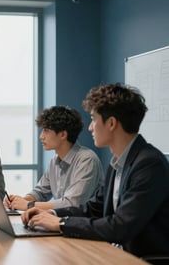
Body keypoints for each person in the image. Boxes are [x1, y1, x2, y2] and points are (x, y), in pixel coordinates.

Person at [22, 83, 169, 257]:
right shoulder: (118, 163)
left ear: (112, 123)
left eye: (93, 119)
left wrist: (61, 223)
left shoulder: (149, 164)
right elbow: (92, 208)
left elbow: (120, 226)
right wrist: (51, 213)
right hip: (117, 253)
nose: (90, 127)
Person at [4, 106, 104, 211]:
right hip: (59, 222)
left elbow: (72, 203)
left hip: (82, 224)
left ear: (63, 135)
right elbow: (40, 192)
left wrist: (29, 205)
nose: (41, 136)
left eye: (46, 131)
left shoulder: (87, 160)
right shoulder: (54, 161)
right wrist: (19, 201)